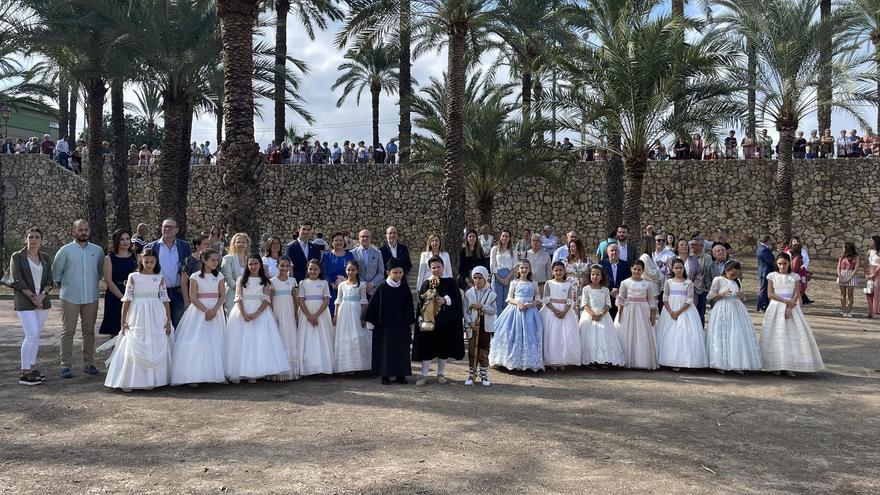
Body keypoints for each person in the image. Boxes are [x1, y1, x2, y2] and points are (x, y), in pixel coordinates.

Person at [103, 248, 173, 391]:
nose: (149, 264)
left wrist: (168, 319)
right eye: (146, 262)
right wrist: (123, 320)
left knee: (153, 340)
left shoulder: (159, 277)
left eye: (152, 262)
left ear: (156, 262)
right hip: (137, 312)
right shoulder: (133, 276)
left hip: (155, 311)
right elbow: (127, 299)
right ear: (141, 260)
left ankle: (152, 379)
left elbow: (165, 299)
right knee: (136, 339)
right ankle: (131, 380)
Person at [224, 256, 291, 383]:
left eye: (256, 264)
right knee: (240, 341)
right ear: (248, 265)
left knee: (256, 342)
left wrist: (257, 313)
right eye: (251, 264)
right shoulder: (241, 279)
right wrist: (244, 313)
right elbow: (238, 297)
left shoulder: (265, 280)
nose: (253, 266)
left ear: (260, 265)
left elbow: (266, 299)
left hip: (260, 312)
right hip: (242, 310)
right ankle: (237, 372)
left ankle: (253, 372)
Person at [52, 219, 103, 379]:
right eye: (80, 229)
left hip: (91, 297)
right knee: (68, 332)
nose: (83, 232)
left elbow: (100, 272)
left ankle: (89, 363)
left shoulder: (98, 250)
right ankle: (65, 365)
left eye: (86, 229)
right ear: (74, 232)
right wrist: (69, 286)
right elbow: (57, 274)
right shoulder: (65, 251)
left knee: (89, 332)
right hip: (70, 297)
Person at [760, 253, 825, 376]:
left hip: (792, 307)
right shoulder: (772, 276)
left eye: (785, 263)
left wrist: (790, 307)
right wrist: (785, 302)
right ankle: (776, 364)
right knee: (777, 335)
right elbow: (770, 294)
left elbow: (797, 293)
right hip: (776, 307)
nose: (782, 266)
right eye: (780, 264)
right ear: (776, 264)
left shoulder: (795, 276)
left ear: (789, 263)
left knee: (791, 335)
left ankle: (789, 365)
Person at [170, 249, 227, 386]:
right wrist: (206, 310)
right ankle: (194, 374)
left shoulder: (219, 276)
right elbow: (193, 297)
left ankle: (216, 373)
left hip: (215, 310)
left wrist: (214, 310)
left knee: (216, 340)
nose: (215, 262)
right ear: (204, 260)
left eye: (217, 260)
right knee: (197, 341)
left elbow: (222, 296)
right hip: (199, 310)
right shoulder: (195, 276)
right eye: (212, 260)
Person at [412, 256, 464, 386]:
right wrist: (420, 319)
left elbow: (456, 300)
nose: (436, 270)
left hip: (445, 321)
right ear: (430, 269)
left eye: (438, 267)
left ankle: (440, 374)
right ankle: (424, 375)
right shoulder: (426, 283)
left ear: (443, 267)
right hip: (430, 321)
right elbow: (421, 302)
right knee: (427, 347)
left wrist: (445, 300)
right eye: (433, 268)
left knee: (443, 348)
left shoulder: (451, 282)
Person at [10, 228, 53, 385]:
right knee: (31, 333)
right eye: (30, 237)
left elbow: (50, 280)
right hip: (25, 300)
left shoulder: (46, 258)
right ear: (25, 239)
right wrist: (33, 297)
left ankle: (32, 367)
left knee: (36, 335)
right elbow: (17, 279)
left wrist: (42, 296)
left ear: (42, 240)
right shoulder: (17, 257)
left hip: (43, 301)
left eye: (37, 237)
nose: (33, 239)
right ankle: (24, 371)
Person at [363, 257, 414, 385]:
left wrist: (410, 321)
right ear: (388, 273)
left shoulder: (404, 288)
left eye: (400, 272)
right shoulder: (382, 288)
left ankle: (400, 374)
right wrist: (370, 322)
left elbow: (409, 306)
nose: (398, 275)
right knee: (385, 350)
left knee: (401, 350)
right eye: (395, 272)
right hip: (384, 327)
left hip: (401, 326)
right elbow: (373, 306)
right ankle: (385, 374)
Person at [706, 260, 763, 374]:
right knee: (722, 333)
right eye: (732, 274)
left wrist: (742, 296)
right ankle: (720, 363)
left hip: (736, 309)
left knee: (736, 334)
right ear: (726, 270)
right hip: (722, 308)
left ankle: (737, 363)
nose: (734, 276)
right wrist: (721, 294)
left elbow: (741, 296)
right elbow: (710, 296)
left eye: (736, 274)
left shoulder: (737, 282)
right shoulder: (718, 280)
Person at [488, 259, 544, 372]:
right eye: (522, 268)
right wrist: (518, 303)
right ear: (518, 269)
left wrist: (530, 304)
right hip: (515, 311)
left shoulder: (533, 283)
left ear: (529, 269)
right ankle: (509, 359)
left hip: (529, 311)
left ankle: (527, 362)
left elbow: (538, 298)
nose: (524, 270)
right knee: (511, 333)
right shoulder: (514, 282)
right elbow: (509, 298)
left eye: (526, 268)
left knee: (529, 334)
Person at [656, 258, 708, 371]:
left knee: (683, 333)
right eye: (676, 268)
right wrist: (670, 311)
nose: (679, 270)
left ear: (684, 268)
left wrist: (678, 312)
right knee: (669, 334)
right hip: (669, 310)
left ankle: (682, 360)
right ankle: (666, 359)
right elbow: (665, 298)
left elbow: (690, 300)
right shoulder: (668, 282)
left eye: (681, 267)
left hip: (685, 310)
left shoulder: (688, 282)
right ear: (672, 269)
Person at [145, 218, 192, 328]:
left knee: (179, 325)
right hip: (158, 293)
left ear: (177, 230)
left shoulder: (184, 247)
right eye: (165, 226)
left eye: (171, 227)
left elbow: (189, 268)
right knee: (159, 325)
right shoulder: (151, 247)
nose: (167, 229)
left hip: (178, 292)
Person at [578, 264, 626, 368]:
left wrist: (600, 314)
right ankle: (590, 360)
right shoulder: (586, 289)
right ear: (590, 276)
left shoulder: (605, 289)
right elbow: (584, 304)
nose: (595, 277)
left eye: (597, 275)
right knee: (590, 337)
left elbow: (608, 304)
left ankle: (604, 359)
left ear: (601, 276)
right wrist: (592, 314)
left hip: (603, 316)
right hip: (589, 315)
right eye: (593, 274)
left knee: (604, 337)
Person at [615, 259, 659, 370]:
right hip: (629, 309)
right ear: (631, 269)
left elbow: (651, 301)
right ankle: (627, 359)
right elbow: (621, 299)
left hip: (643, 310)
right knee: (629, 332)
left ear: (643, 270)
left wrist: (652, 315)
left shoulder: (647, 284)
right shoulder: (625, 283)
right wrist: (620, 313)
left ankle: (641, 360)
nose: (636, 271)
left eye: (639, 269)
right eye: (634, 269)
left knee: (641, 333)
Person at [332, 260, 372, 374]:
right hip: (344, 312)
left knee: (357, 336)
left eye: (353, 270)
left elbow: (364, 302)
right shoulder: (341, 285)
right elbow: (338, 301)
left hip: (356, 312)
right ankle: (345, 366)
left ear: (357, 271)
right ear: (345, 270)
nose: (350, 272)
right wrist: (335, 315)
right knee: (344, 336)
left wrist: (363, 317)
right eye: (348, 270)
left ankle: (358, 365)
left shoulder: (362, 285)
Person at [540, 262, 581, 369]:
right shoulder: (548, 283)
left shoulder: (568, 284)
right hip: (551, 310)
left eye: (561, 270)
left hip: (565, 311)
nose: (558, 272)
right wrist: (555, 310)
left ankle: (562, 360)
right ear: (553, 272)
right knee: (552, 336)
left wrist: (564, 312)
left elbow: (569, 300)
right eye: (556, 270)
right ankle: (551, 360)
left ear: (564, 271)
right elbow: (546, 300)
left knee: (564, 337)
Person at [297, 259, 334, 376]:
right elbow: (300, 300)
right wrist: (309, 316)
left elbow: (326, 300)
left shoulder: (324, 283)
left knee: (322, 337)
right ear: (307, 269)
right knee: (307, 338)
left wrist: (316, 315)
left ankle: (323, 366)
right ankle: (308, 367)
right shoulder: (302, 283)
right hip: (306, 312)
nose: (313, 271)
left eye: (316, 269)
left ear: (320, 270)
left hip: (321, 313)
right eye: (310, 269)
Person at [99, 229, 138, 338]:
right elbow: (108, 280)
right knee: (116, 330)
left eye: (127, 239)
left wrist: (131, 297)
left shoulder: (135, 257)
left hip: (133, 296)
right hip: (115, 297)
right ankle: (115, 353)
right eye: (122, 239)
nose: (125, 241)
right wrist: (123, 297)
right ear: (117, 241)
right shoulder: (109, 258)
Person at [267, 256, 299, 381]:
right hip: (278, 310)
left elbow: (294, 298)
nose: (285, 268)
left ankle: (291, 369)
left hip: (289, 311)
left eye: (287, 266)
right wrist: (273, 315)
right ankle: (277, 368)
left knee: (290, 335)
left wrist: (295, 314)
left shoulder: (292, 281)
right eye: (282, 265)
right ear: (277, 266)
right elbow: (269, 299)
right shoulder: (272, 281)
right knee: (279, 335)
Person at [463, 266, 496, 386]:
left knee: (483, 350)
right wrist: (470, 323)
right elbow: (465, 310)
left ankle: (484, 374)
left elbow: (493, 310)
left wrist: (482, 307)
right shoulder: (469, 293)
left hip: (485, 326)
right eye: (475, 278)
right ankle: (472, 374)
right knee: (472, 351)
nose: (477, 280)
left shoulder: (491, 294)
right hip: (473, 327)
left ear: (485, 279)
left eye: (480, 278)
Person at [321, 232, 354, 318]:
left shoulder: (349, 255)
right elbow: (325, 272)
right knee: (332, 314)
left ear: (344, 242)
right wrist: (333, 285)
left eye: (341, 240)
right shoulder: (327, 255)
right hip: (331, 289)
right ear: (332, 243)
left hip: (347, 289)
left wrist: (346, 283)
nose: (339, 242)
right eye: (336, 240)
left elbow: (353, 270)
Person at [220, 232, 250, 314]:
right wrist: (240, 290)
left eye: (243, 242)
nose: (241, 244)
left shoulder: (250, 260)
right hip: (233, 296)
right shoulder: (227, 258)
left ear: (247, 244)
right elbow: (228, 278)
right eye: (238, 242)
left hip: (249, 297)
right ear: (234, 244)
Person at [350, 229, 384, 298]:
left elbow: (381, 272)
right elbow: (351, 271)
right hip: (357, 288)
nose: (365, 238)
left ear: (370, 238)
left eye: (367, 236)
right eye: (362, 236)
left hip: (373, 290)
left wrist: (372, 284)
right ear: (359, 238)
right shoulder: (352, 253)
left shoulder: (378, 253)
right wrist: (363, 284)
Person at [600, 244, 630, 319]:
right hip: (606, 297)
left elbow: (628, 280)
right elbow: (600, 280)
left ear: (619, 252)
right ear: (607, 252)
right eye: (611, 250)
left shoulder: (625, 265)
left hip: (621, 297)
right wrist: (610, 290)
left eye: (616, 250)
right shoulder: (601, 264)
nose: (614, 252)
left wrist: (618, 289)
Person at [687, 237, 713, 325]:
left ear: (701, 246)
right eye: (691, 244)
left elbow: (706, 273)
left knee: (699, 313)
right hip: (687, 289)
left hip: (701, 290)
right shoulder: (688, 256)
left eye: (695, 245)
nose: (692, 246)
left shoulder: (707, 258)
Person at [490, 230, 516, 315]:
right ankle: (497, 324)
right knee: (497, 302)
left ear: (509, 238)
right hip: (497, 277)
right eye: (503, 236)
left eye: (506, 236)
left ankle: (506, 324)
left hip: (509, 277)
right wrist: (499, 278)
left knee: (507, 301)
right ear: (500, 237)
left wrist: (507, 279)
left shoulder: (513, 250)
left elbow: (515, 266)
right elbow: (492, 265)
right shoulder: (495, 249)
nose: (504, 238)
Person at [836, 242, 859, 318]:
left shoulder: (855, 256)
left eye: (843, 247)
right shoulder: (842, 256)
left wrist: (850, 278)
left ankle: (849, 311)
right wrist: (839, 275)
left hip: (851, 275)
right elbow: (838, 266)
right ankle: (844, 311)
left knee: (850, 294)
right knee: (843, 294)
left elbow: (856, 268)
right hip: (842, 274)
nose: (842, 249)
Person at [755, 234, 775, 312]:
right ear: (767, 241)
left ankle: (764, 304)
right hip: (766, 272)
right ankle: (761, 305)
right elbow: (770, 261)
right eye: (770, 241)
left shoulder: (761, 248)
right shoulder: (764, 249)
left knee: (765, 289)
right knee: (764, 289)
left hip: (764, 271)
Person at [865, 236, 880, 319]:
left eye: (872, 240)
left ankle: (876, 311)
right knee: (869, 292)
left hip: (878, 274)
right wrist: (866, 273)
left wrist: (874, 274)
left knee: (876, 292)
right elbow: (866, 263)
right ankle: (870, 311)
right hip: (870, 272)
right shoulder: (870, 251)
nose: (870, 241)